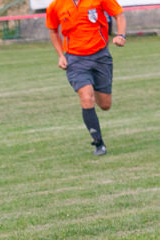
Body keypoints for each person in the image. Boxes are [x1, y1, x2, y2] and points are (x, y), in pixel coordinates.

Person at [46, 0, 126, 157]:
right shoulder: (55, 6)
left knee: (105, 105)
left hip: (100, 56)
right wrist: (61, 55)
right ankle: (98, 143)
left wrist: (120, 35)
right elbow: (53, 30)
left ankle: (93, 85)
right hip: (75, 60)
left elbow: (119, 15)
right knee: (86, 97)